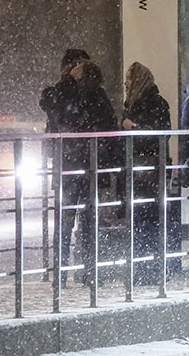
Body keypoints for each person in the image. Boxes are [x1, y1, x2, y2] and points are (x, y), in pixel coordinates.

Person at [56, 62, 117, 275]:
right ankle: (89, 271)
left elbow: (56, 107)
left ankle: (62, 271)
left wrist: (67, 80)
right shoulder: (100, 98)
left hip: (73, 165)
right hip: (92, 166)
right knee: (90, 221)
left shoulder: (75, 96)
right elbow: (111, 131)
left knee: (66, 219)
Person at [120, 61, 171, 284]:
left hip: (148, 170)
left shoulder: (154, 103)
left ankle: (149, 270)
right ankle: (143, 269)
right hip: (138, 170)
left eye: (130, 79)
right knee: (140, 220)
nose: (126, 84)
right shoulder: (133, 103)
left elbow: (159, 133)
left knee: (147, 219)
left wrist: (133, 128)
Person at [39, 49, 91, 134]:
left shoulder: (94, 94)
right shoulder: (54, 94)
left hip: (66, 145)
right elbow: (64, 123)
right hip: (64, 145)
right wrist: (70, 81)